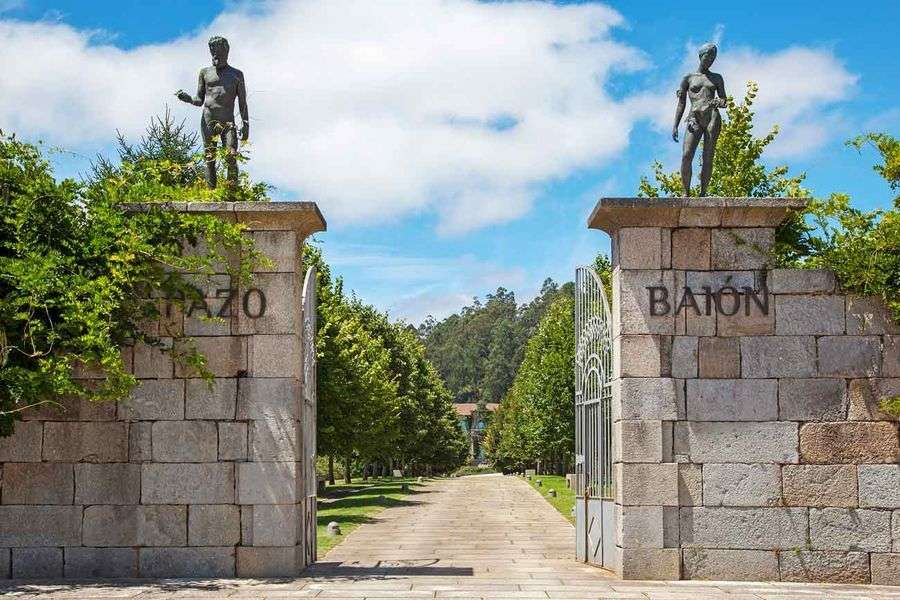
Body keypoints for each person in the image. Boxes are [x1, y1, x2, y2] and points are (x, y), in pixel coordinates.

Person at [176, 36, 249, 188]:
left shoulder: (236, 75)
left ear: (226, 52)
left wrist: (246, 124)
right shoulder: (205, 73)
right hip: (208, 120)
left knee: (231, 155)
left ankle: (231, 192)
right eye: (212, 51)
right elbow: (198, 100)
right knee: (210, 158)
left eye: (218, 52)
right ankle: (211, 194)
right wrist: (187, 98)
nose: (214, 55)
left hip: (228, 122)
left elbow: (242, 102)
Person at [672, 43, 726, 197]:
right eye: (708, 57)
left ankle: (703, 193)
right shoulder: (688, 78)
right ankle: (685, 191)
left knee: (708, 155)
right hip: (694, 117)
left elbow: (724, 99)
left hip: (712, 117)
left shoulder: (717, 78)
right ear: (701, 56)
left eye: (713, 58)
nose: (710, 61)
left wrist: (720, 102)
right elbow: (681, 102)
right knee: (687, 155)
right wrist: (675, 125)